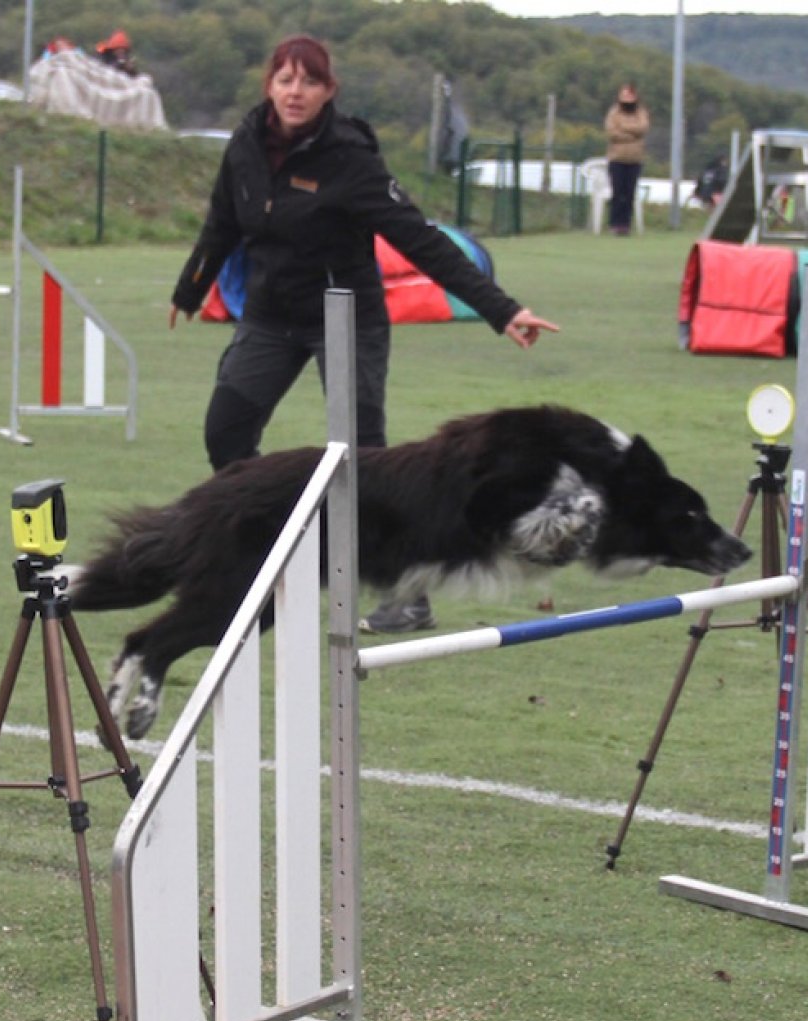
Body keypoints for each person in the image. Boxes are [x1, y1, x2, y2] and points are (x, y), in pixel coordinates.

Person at [169, 35, 558, 634]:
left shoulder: (350, 158)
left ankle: (409, 595)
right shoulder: (245, 144)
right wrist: (190, 289)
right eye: (286, 79)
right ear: (269, 85)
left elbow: (420, 240)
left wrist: (500, 310)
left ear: (329, 92)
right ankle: (262, 560)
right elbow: (222, 222)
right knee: (225, 435)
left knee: (362, 465)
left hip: (345, 317)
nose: (296, 92)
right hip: (271, 317)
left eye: (309, 82)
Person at [603, 82, 651, 236]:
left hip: (635, 160)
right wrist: (631, 135)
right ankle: (615, 224)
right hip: (617, 159)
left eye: (629, 95)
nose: (627, 99)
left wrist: (624, 128)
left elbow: (643, 128)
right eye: (624, 95)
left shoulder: (640, 112)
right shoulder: (614, 113)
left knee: (629, 193)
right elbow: (612, 133)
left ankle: (626, 225)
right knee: (617, 192)